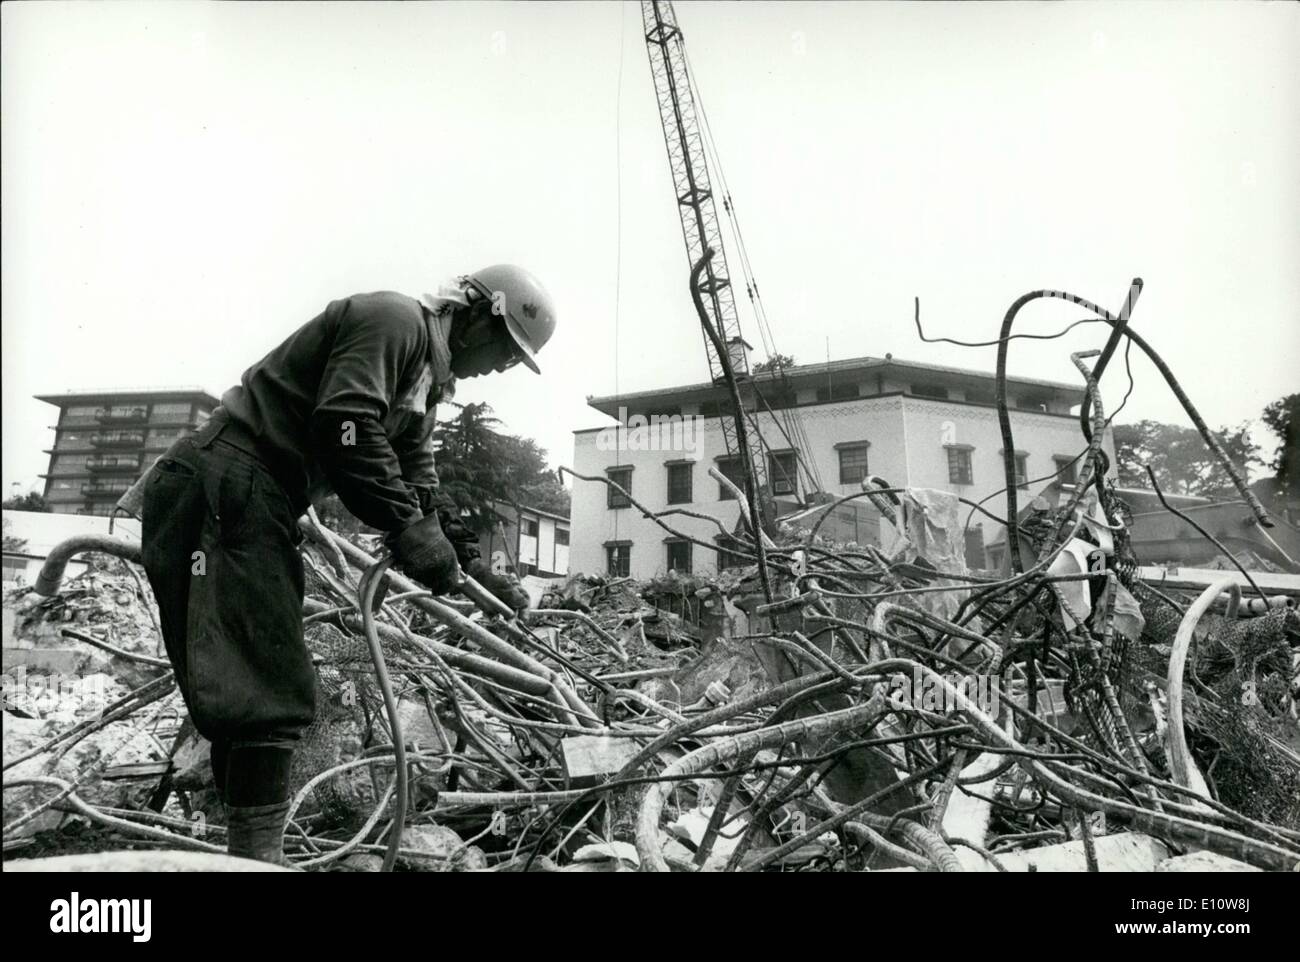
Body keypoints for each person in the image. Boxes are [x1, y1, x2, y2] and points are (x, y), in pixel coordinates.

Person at [138, 265, 556, 864]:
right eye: (503, 349)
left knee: (251, 689)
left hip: (254, 495)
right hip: (224, 482)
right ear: (472, 315)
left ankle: (246, 857)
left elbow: (419, 485)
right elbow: (346, 425)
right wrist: (405, 526)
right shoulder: (395, 321)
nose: (499, 367)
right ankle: (258, 861)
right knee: (263, 688)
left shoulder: (422, 386)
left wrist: (471, 567)